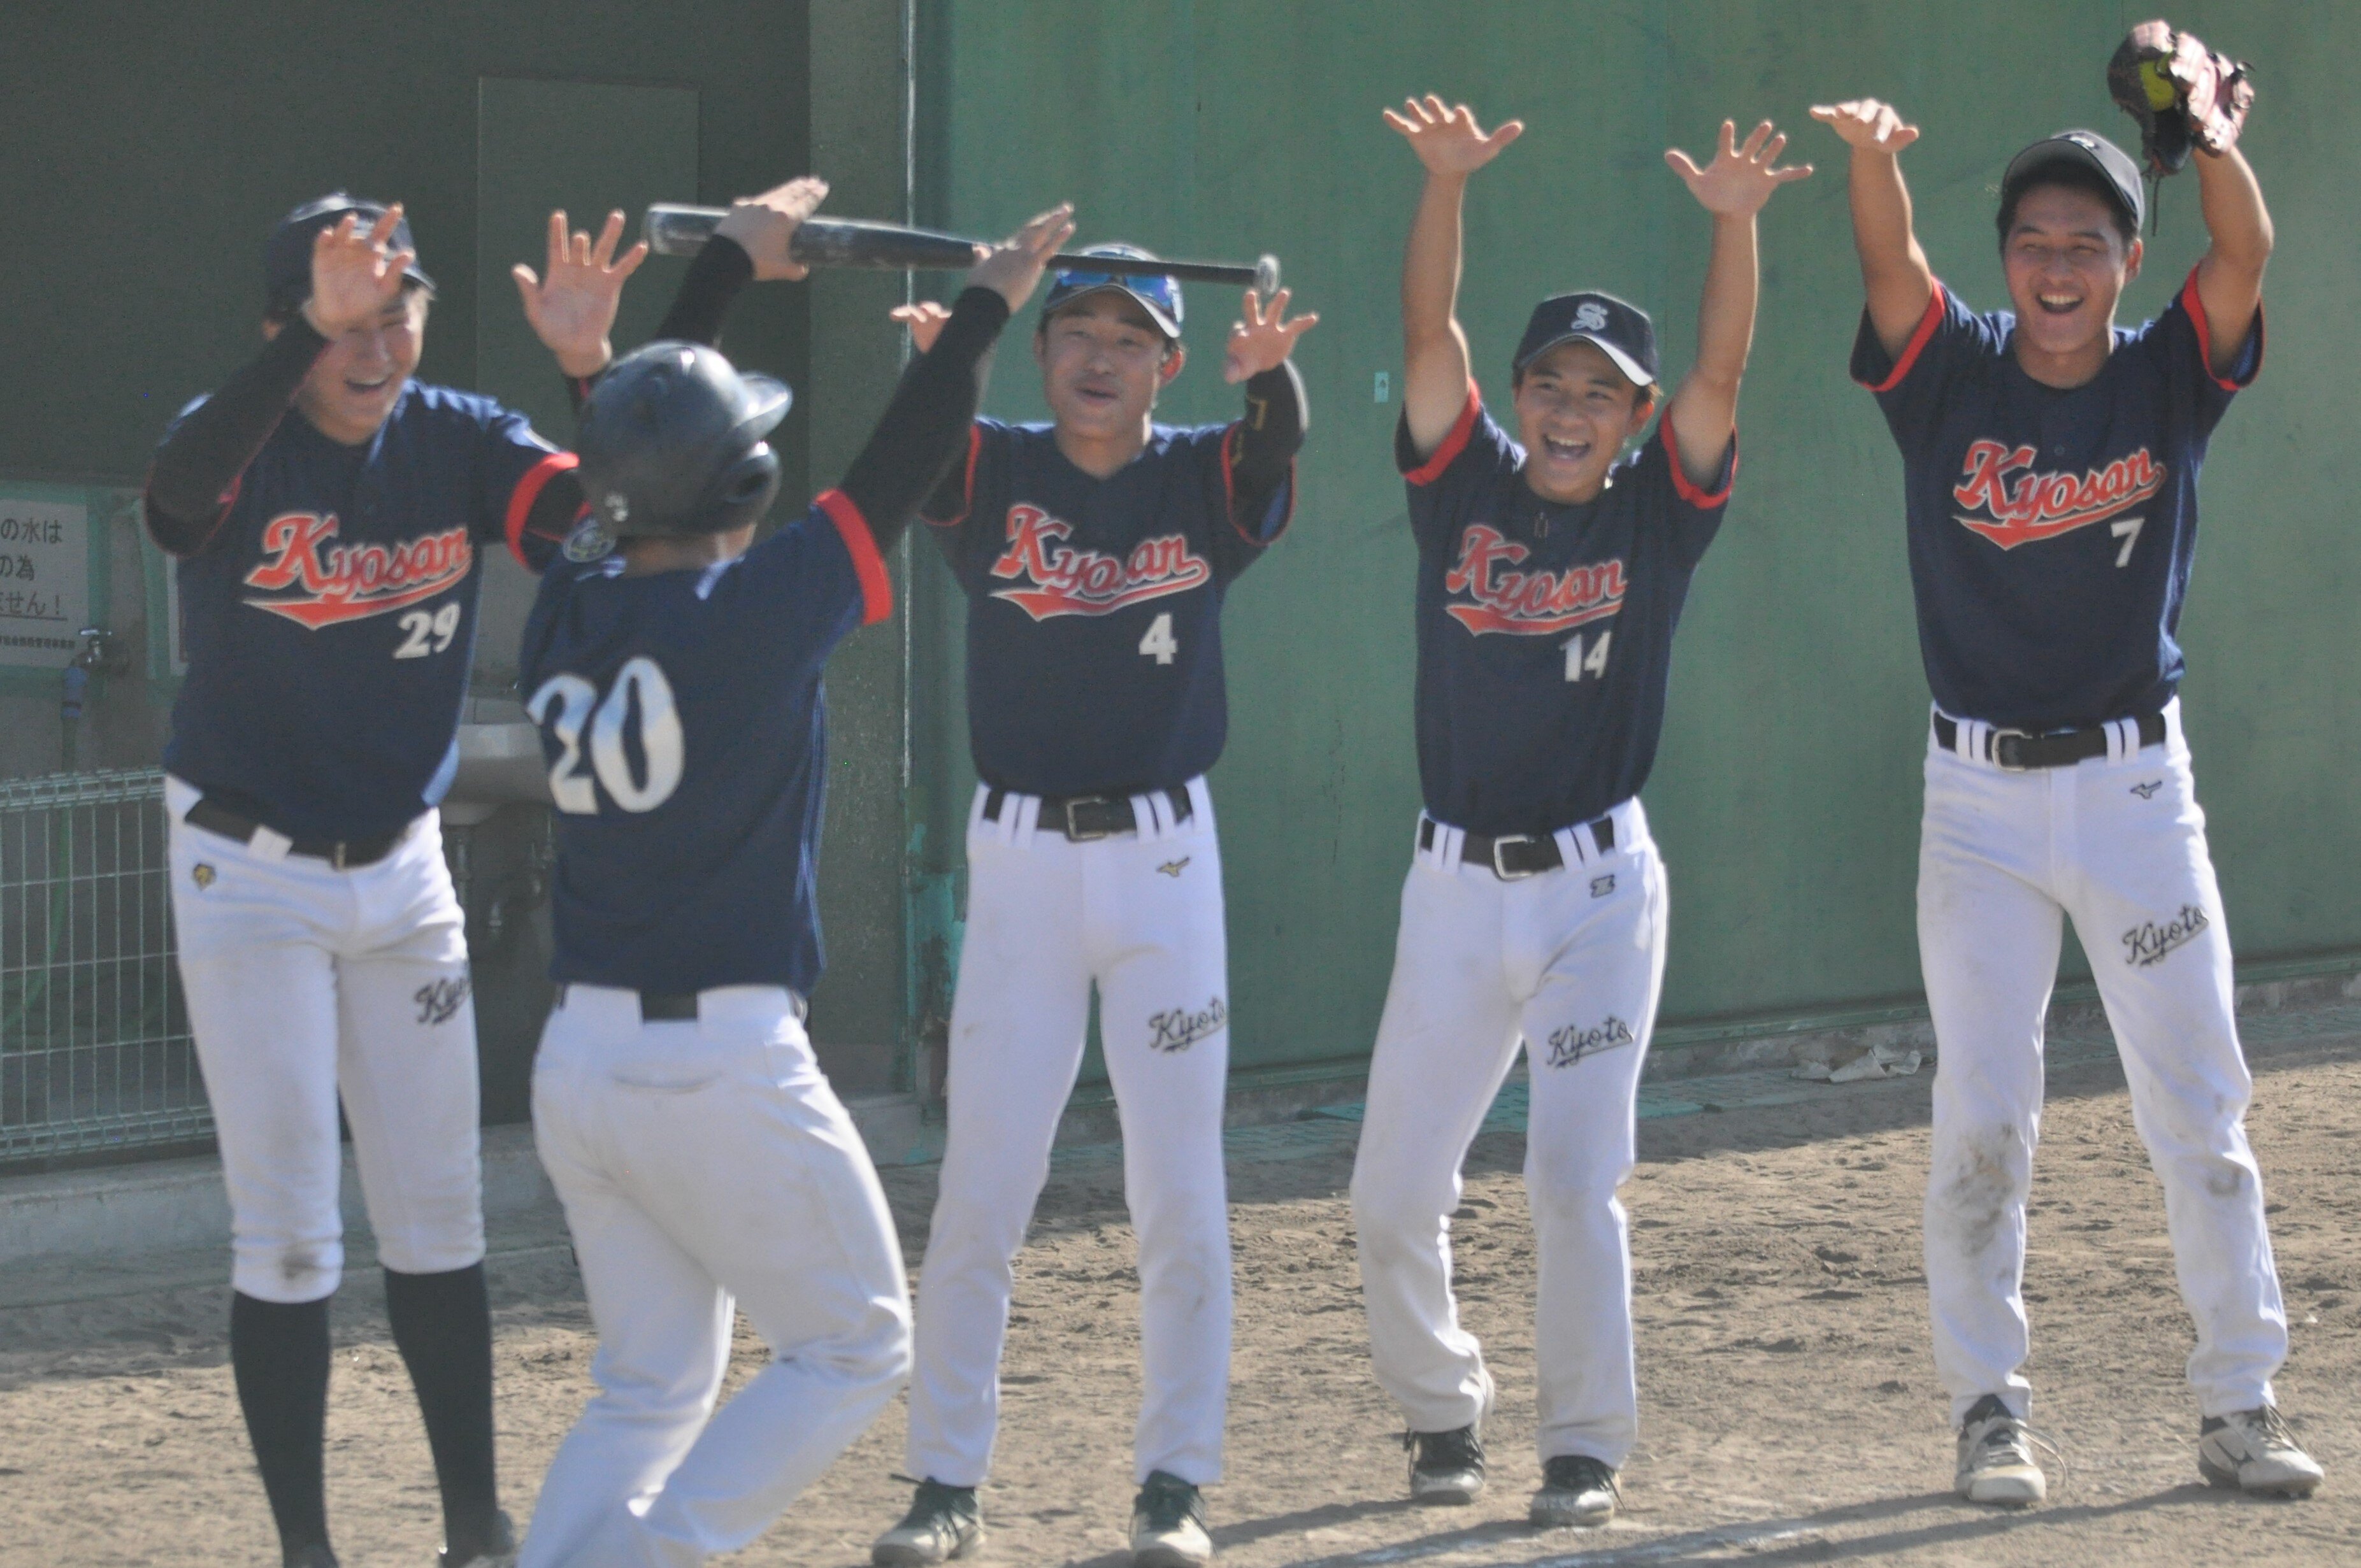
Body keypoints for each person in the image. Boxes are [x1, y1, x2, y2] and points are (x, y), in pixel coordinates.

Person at [509, 176, 1071, 1568]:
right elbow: (893, 470)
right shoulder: (748, 614)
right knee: (858, 1340)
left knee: (649, 1381)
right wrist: (990, 303)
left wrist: (723, 270)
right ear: (739, 487)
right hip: (717, 1064)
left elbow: (623, 448)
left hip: (579, 1061)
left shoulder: (568, 605)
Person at [1813, 90, 2322, 1504]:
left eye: (2086, 240)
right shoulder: (1950, 376)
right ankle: (1987, 1407)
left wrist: (2212, 133)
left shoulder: (2165, 376)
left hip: (2134, 791)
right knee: (1982, 1109)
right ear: (2003, 257)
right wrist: (1868, 165)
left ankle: (2237, 1398)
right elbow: (1885, 271)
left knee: (2198, 1107)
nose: (2054, 261)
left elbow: (2245, 257)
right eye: (2032, 236)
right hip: (1974, 802)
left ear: (2124, 259)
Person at [1347, 97, 1807, 1532]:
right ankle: (1440, 1412)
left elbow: (1722, 365)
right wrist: (1443, 191)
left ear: (1632, 420)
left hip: (1597, 893)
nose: (1563, 407)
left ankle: (1582, 1446)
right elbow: (1430, 343)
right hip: (1450, 889)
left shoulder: (1655, 515)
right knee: (1384, 1196)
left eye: (1597, 391)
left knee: (1569, 1176)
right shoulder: (1460, 489)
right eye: (1547, 381)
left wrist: (1733, 225)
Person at [144, 194, 623, 1568]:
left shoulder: (461, 435)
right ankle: (310, 1549)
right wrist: (308, 330)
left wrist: (586, 376)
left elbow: (593, 538)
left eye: (398, 303)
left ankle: (474, 1530)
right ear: (285, 327)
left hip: (402, 871)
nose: (379, 335)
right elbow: (178, 503)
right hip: (248, 869)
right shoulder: (237, 433)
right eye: (346, 308)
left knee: (438, 1214)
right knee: (291, 1235)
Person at [870, 251, 1316, 1566]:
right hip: (1016, 866)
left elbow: (1271, 447)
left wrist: (1273, 379)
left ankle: (1174, 1480)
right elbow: (916, 447)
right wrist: (943, 357)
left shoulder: (1200, 475)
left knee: (1178, 1186)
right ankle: (945, 1479)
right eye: (1075, 329)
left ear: (1167, 364)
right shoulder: (991, 463)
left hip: (1166, 864)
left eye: (1131, 336)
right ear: (1041, 348)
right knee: (980, 1190)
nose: (1100, 356)